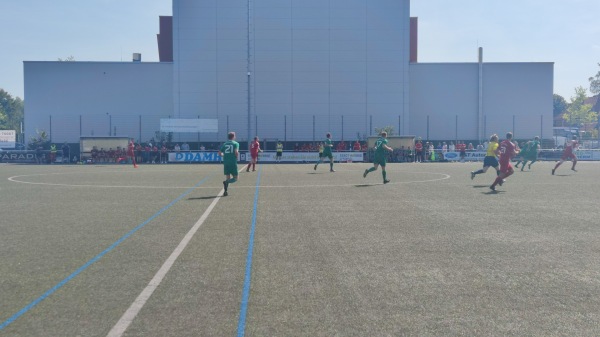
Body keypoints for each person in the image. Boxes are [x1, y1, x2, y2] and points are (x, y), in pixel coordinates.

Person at [219, 132, 239, 196]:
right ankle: (226, 182)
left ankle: (225, 191)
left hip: (226, 162)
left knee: (228, 177)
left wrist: (223, 155)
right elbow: (236, 152)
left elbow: (219, 153)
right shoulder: (236, 143)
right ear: (233, 137)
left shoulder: (225, 144)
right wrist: (236, 157)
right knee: (235, 178)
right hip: (233, 162)